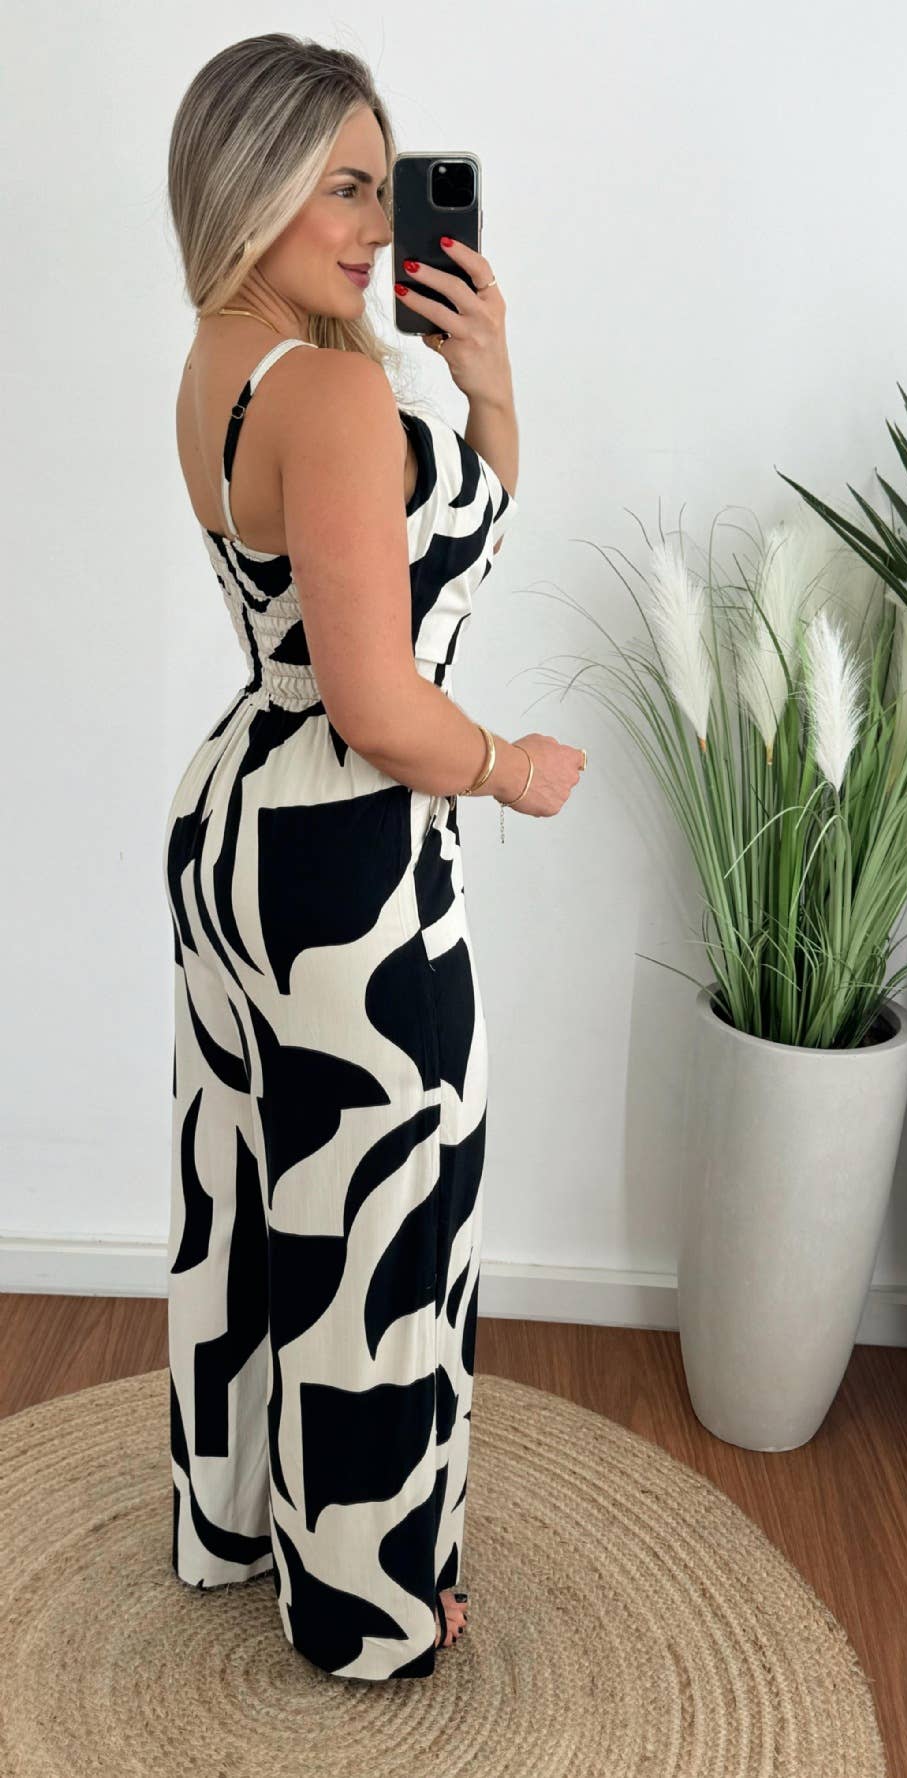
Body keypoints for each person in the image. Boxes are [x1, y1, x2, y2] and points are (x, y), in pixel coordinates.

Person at [162, 32, 585, 1682]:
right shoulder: (333, 393)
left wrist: (486, 385)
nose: (373, 226)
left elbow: (413, 563)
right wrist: (507, 768)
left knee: (258, 1184)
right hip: (352, 860)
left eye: (385, 188)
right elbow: (382, 697)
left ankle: (239, 1519)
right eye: (342, 187)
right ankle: (371, 1601)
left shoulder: (225, 360)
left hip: (241, 818)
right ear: (251, 184)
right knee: (388, 1218)